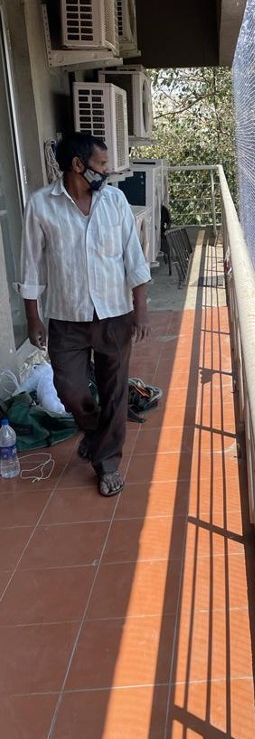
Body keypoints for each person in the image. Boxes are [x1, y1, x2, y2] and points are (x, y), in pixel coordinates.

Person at [16, 132, 151, 496]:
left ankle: (107, 464)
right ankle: (94, 431)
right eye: (102, 164)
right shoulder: (41, 205)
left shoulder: (116, 201)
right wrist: (32, 318)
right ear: (79, 165)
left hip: (115, 314)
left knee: (115, 391)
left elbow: (133, 258)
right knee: (70, 389)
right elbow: (30, 266)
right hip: (65, 318)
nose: (107, 171)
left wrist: (141, 309)